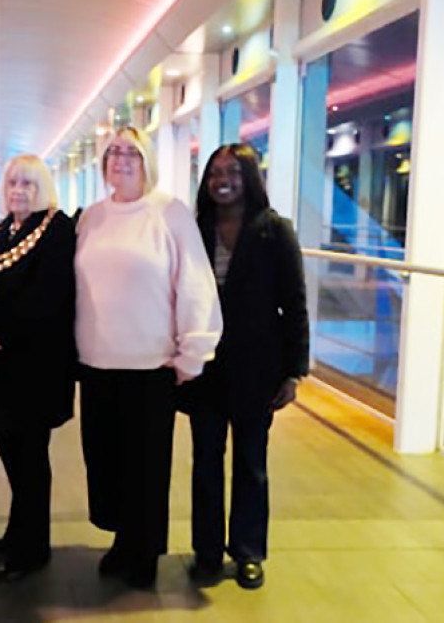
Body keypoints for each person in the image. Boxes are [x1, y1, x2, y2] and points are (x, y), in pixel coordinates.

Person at [74, 126, 222, 589]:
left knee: (146, 465)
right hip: (96, 362)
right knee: (106, 462)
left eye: (131, 153)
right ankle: (122, 540)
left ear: (147, 161)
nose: (121, 159)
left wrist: (193, 351)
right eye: (114, 152)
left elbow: (195, 283)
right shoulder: (90, 217)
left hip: (150, 365)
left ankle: (145, 552)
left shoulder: (170, 213)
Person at [186, 143, 309, 590]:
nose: (223, 179)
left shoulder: (274, 231)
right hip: (204, 367)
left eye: (233, 172)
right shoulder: (195, 228)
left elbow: (294, 302)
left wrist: (294, 371)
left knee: (252, 463)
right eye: (216, 172)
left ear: (251, 178)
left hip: (257, 368)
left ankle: (248, 552)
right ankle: (206, 551)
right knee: (206, 462)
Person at [0, 155, 76, 581]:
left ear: (43, 188)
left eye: (29, 184)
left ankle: (33, 548)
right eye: (13, 183)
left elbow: (49, 297)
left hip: (35, 366)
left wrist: (0, 338)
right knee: (12, 450)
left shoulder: (57, 230)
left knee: (30, 458)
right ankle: (18, 531)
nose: (19, 191)